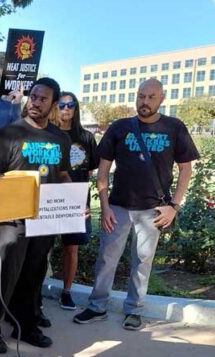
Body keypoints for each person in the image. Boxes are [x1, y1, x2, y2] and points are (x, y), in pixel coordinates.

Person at [74, 79, 199, 330]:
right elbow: (103, 169)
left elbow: (186, 169)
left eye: (152, 97)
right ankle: (97, 306)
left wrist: (174, 206)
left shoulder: (174, 127)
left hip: (153, 209)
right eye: (141, 96)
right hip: (118, 207)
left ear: (162, 99)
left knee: (142, 261)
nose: (145, 101)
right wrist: (106, 206)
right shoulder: (120, 127)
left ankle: (134, 309)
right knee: (107, 258)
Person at [0, 77, 71, 354]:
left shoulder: (61, 138)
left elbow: (62, 175)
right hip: (12, 219)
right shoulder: (8, 134)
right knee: (6, 274)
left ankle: (25, 324)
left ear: (54, 104)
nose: (35, 102)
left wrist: (73, 200)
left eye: (42, 98)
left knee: (35, 273)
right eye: (32, 97)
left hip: (46, 217)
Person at [56, 92, 98, 310]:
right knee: (40, 249)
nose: (66, 109)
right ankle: (33, 294)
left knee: (71, 248)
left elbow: (89, 171)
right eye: (61, 105)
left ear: (76, 108)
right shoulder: (49, 134)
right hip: (49, 199)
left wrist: (82, 202)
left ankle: (67, 292)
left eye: (70, 105)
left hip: (78, 200)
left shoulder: (86, 137)